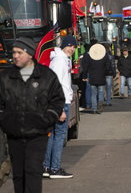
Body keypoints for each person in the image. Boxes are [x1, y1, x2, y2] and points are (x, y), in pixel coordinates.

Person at [0, 37, 65, 193]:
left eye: (19, 52)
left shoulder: (47, 76)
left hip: (37, 135)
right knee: (18, 175)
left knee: (33, 171)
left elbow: (57, 101)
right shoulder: (5, 77)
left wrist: (47, 119)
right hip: (14, 134)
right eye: (14, 52)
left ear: (29, 54)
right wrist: (4, 119)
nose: (15, 56)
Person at [43, 35, 76, 179]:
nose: (72, 49)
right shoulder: (60, 61)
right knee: (59, 136)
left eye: (74, 46)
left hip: (58, 102)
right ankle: (54, 168)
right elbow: (55, 85)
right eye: (70, 46)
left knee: (52, 135)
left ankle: (47, 167)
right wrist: (60, 108)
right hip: (61, 103)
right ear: (63, 46)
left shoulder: (61, 60)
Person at [82, 43, 111, 114]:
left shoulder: (90, 57)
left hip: (92, 78)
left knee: (93, 94)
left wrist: (84, 76)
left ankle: (94, 109)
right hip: (101, 77)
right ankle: (100, 105)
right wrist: (105, 72)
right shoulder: (104, 56)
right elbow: (108, 66)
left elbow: (86, 67)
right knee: (100, 93)